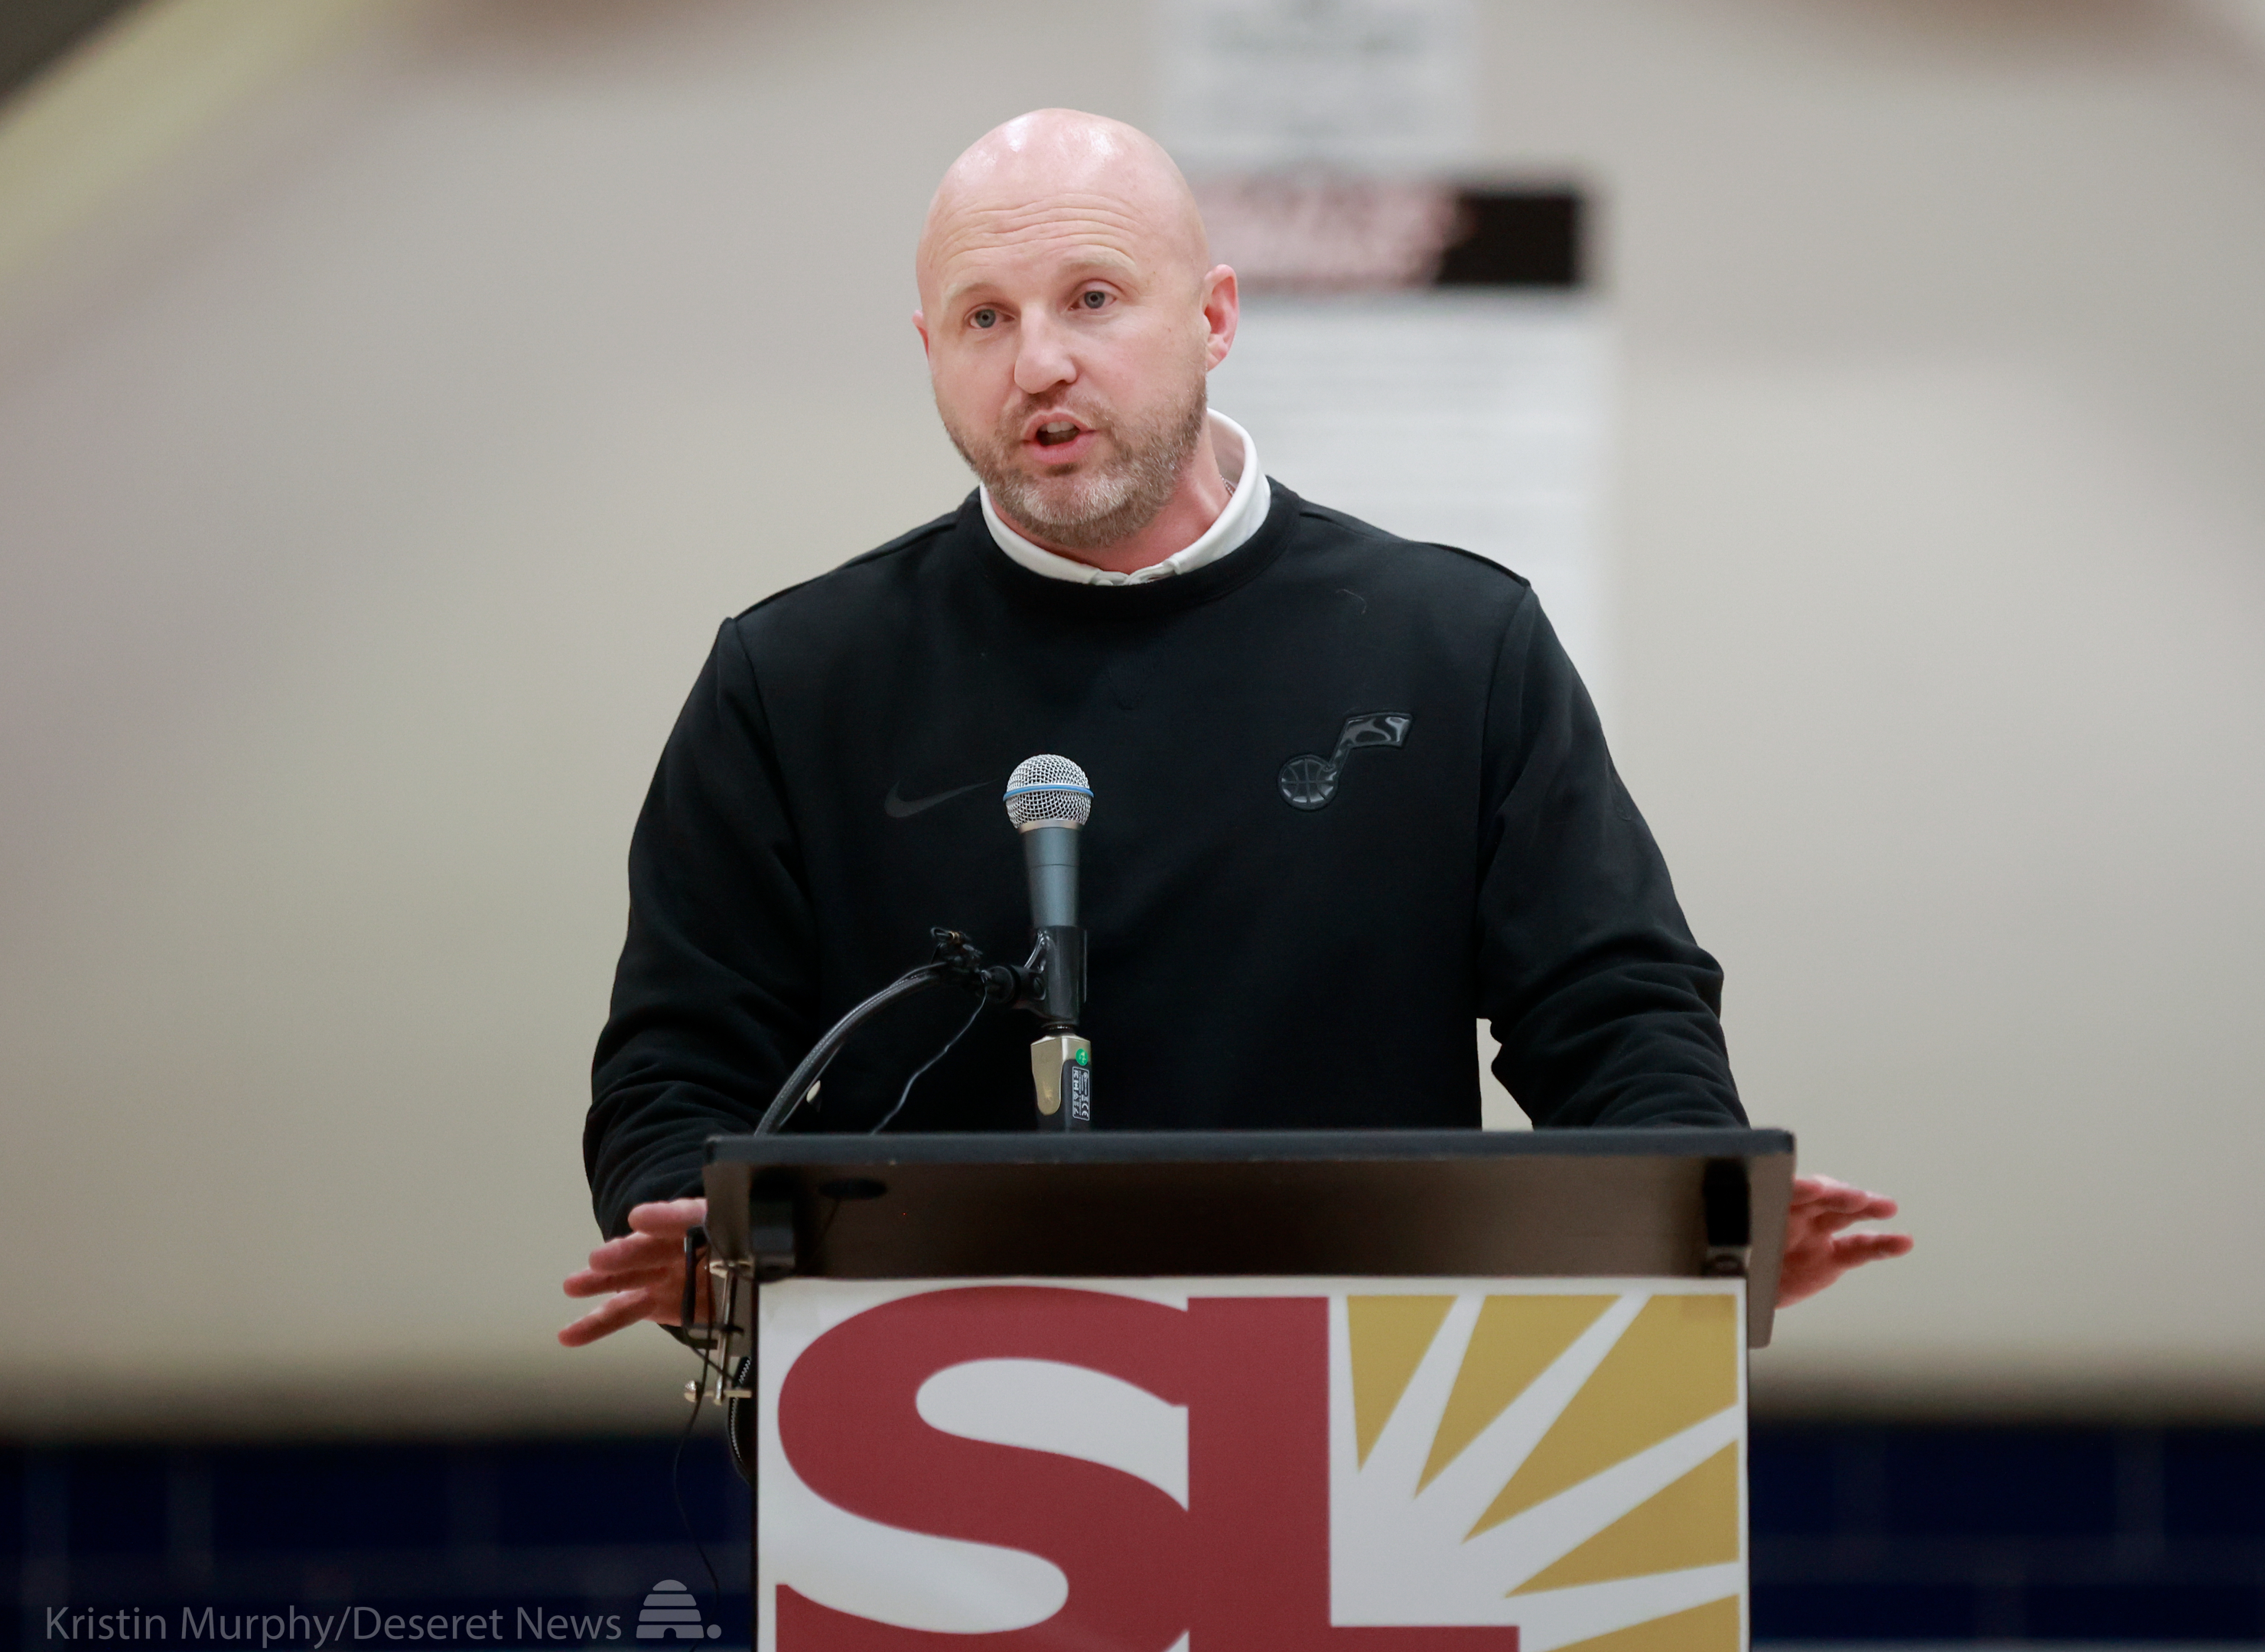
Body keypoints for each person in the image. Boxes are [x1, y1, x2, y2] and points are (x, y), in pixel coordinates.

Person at [561, 110, 1909, 1348]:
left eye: (1092, 299)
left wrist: (1692, 1219)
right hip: (933, 1431)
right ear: (931, 353)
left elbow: (1615, 1016)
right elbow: (679, 1066)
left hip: (1379, 1427)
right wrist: (695, 1234)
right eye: (983, 319)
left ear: (1214, 317)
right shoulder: (793, 679)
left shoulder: (1454, 644)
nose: (1039, 362)